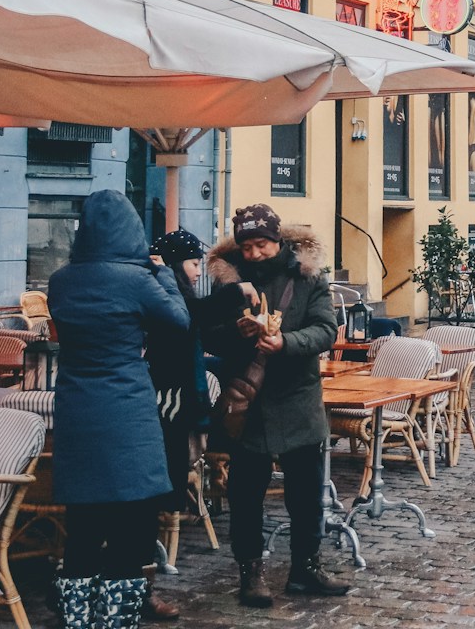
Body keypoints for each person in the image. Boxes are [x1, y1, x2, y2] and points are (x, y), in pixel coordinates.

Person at [48, 191, 189, 629]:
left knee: (84, 526)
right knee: (132, 525)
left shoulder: (61, 280)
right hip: (127, 411)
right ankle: (117, 620)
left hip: (76, 409)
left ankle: (76, 619)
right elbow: (179, 319)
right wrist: (163, 274)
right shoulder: (136, 280)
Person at [204, 204, 349, 606]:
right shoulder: (229, 281)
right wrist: (238, 330)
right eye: (247, 246)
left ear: (278, 240)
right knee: (245, 493)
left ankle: (306, 569)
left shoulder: (308, 277)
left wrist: (286, 342)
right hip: (248, 403)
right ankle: (251, 576)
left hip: (298, 399)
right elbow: (207, 336)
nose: (254, 254)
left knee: (304, 494)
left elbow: (324, 330)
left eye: (262, 245)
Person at [141, 229, 212, 624]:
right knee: (150, 499)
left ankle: (140, 584)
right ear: (172, 266)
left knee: (153, 499)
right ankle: (141, 586)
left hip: (171, 407)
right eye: (193, 263)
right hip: (161, 410)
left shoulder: (177, 299)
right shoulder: (165, 302)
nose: (198, 271)